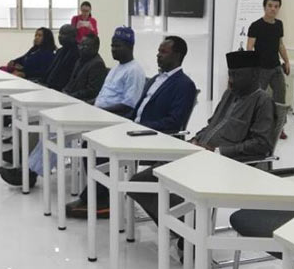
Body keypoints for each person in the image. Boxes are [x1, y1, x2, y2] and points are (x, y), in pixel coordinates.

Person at [128, 50, 274, 224]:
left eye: (237, 75)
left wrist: (219, 152)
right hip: (199, 155)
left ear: (254, 74)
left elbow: (261, 143)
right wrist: (196, 139)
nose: (231, 80)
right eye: (230, 74)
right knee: (140, 182)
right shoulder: (230, 94)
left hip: (227, 164)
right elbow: (212, 125)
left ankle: (189, 227)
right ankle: (185, 226)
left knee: (150, 180)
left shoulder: (263, 101)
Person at [65, 35, 197, 218]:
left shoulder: (184, 85)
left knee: (101, 149)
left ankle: (100, 200)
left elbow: (174, 122)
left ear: (178, 55)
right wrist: (126, 124)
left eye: (164, 52)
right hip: (136, 130)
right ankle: (100, 197)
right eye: (158, 51)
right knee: (92, 143)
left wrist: (140, 126)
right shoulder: (155, 79)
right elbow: (137, 110)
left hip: (155, 137)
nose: (158, 55)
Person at [0, 26, 145, 188]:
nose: (113, 49)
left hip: (111, 120)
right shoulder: (116, 68)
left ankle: (29, 173)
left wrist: (97, 111)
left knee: (60, 132)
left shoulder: (134, 70)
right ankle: (29, 171)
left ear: (130, 46)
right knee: (54, 128)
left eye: (117, 46)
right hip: (97, 114)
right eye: (112, 45)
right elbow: (101, 97)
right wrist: (88, 106)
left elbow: (129, 105)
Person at [247, 0, 290, 138]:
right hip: (261, 68)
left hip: (276, 67)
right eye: (270, 6)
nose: (273, 9)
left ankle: (279, 127)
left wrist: (287, 61)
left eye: (276, 6)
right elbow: (249, 47)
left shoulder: (279, 24)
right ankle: (254, 127)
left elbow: (280, 45)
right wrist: (251, 68)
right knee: (258, 99)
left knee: (280, 98)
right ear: (264, 7)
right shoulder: (255, 26)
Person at [38, 24, 79, 91]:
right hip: (49, 86)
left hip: (61, 89)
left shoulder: (77, 53)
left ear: (72, 36)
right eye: (59, 33)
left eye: (63, 34)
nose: (59, 36)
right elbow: (51, 69)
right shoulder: (60, 51)